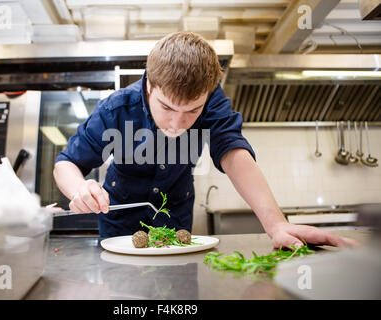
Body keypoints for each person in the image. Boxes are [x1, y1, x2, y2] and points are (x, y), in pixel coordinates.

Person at [53, 31, 358, 248]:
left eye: (192, 111)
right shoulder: (115, 108)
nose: (176, 124)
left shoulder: (213, 99)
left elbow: (233, 152)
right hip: (118, 230)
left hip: (176, 227)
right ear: (149, 84)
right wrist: (80, 188)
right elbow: (66, 163)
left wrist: (276, 224)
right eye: (167, 108)